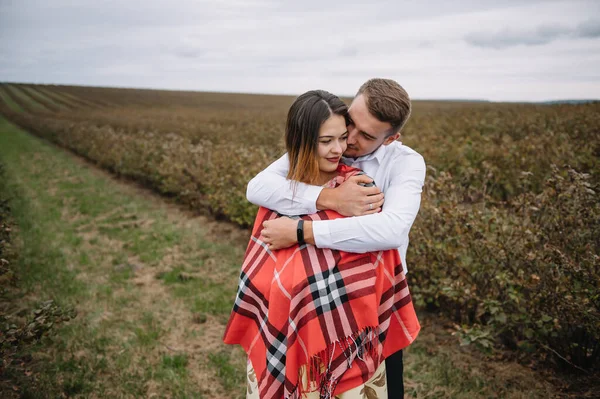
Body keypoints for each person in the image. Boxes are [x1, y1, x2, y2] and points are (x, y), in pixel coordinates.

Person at [223, 89, 420, 399]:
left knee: (387, 383)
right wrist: (329, 198)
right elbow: (258, 187)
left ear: (391, 139)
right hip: (305, 307)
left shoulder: (405, 163)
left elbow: (391, 231)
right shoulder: (321, 140)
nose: (348, 142)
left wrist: (302, 231)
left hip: (370, 297)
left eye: (364, 135)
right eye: (349, 125)